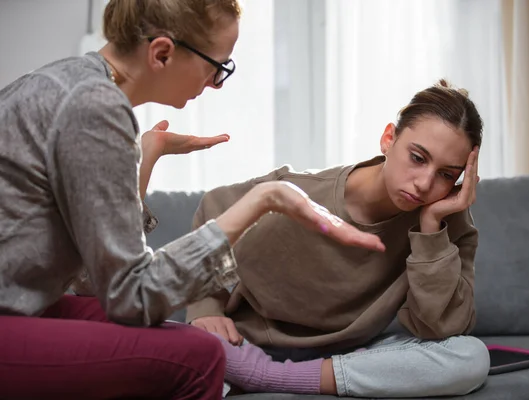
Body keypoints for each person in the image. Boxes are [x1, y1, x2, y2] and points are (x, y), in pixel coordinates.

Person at [0, 1, 384, 399]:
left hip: (22, 304)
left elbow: (97, 278)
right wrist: (262, 200)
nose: (216, 83)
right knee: (196, 356)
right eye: (217, 66)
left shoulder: (68, 84)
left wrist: (145, 155)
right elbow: (132, 297)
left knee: (176, 336)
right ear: (162, 53)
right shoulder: (93, 109)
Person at [187, 80, 491, 398]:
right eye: (417, 158)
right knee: (177, 358)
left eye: (446, 174)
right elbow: (214, 207)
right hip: (249, 344)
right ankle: (256, 370)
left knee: (470, 357)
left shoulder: (445, 221)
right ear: (389, 138)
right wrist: (205, 307)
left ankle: (272, 377)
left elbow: (442, 327)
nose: (424, 183)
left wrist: (430, 229)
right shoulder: (298, 191)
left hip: (348, 358)